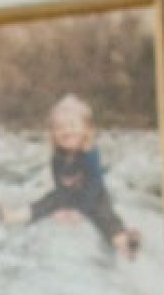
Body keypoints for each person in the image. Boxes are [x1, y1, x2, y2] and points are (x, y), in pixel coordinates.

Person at [19, 94, 140, 262]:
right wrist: (63, 202)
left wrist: (80, 211)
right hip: (71, 191)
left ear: (86, 129)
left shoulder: (90, 154)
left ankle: (124, 241)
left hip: (94, 194)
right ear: (53, 133)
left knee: (104, 215)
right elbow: (58, 179)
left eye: (72, 125)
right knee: (49, 200)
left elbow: (94, 184)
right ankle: (19, 215)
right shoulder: (58, 156)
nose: (66, 131)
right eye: (59, 128)